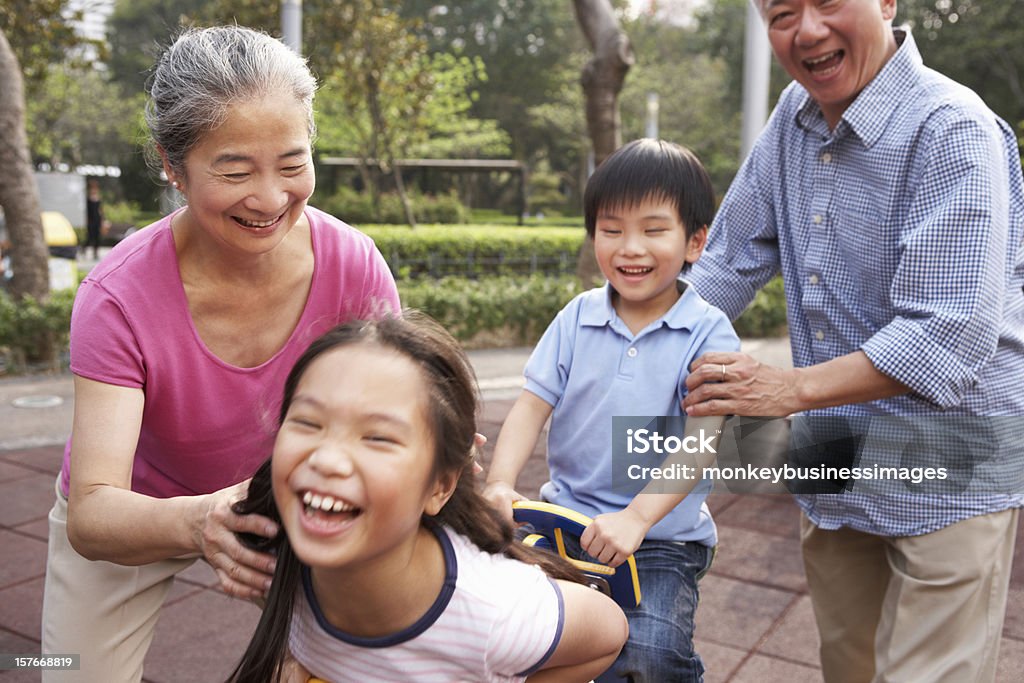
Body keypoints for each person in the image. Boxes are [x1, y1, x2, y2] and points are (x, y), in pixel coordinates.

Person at [40, 26, 401, 682]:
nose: (269, 198)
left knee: (362, 660)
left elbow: (400, 418)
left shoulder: (352, 266)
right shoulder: (118, 295)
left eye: (292, 164)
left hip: (296, 495)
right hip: (137, 506)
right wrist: (198, 518)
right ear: (171, 166)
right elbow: (92, 510)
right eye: (235, 171)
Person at [683, 1, 1024, 681]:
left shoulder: (951, 128)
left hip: (952, 455)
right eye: (781, 12)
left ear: (888, 1)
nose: (807, 30)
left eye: (830, 1)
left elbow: (946, 335)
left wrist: (788, 388)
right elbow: (728, 259)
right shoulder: (794, 114)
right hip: (835, 451)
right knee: (848, 665)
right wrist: (621, 341)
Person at [228, 313, 629, 682]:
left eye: (377, 438)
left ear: (439, 486)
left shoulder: (492, 612)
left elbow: (609, 632)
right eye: (308, 422)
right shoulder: (270, 545)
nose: (328, 458)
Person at [485, 138, 741, 682]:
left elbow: (701, 445)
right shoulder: (578, 318)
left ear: (695, 241)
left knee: (648, 653)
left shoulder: (708, 333)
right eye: (611, 229)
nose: (630, 248)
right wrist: (500, 484)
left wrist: (636, 518)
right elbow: (531, 407)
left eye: (653, 230)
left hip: (660, 538)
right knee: (518, 634)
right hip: (565, 523)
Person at [85, 180, 103, 260]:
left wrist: (103, 219)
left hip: (97, 219)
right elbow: (87, 210)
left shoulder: (98, 198)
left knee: (97, 236)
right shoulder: (88, 199)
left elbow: (100, 210)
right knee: (90, 236)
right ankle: (83, 249)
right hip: (91, 220)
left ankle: (95, 252)